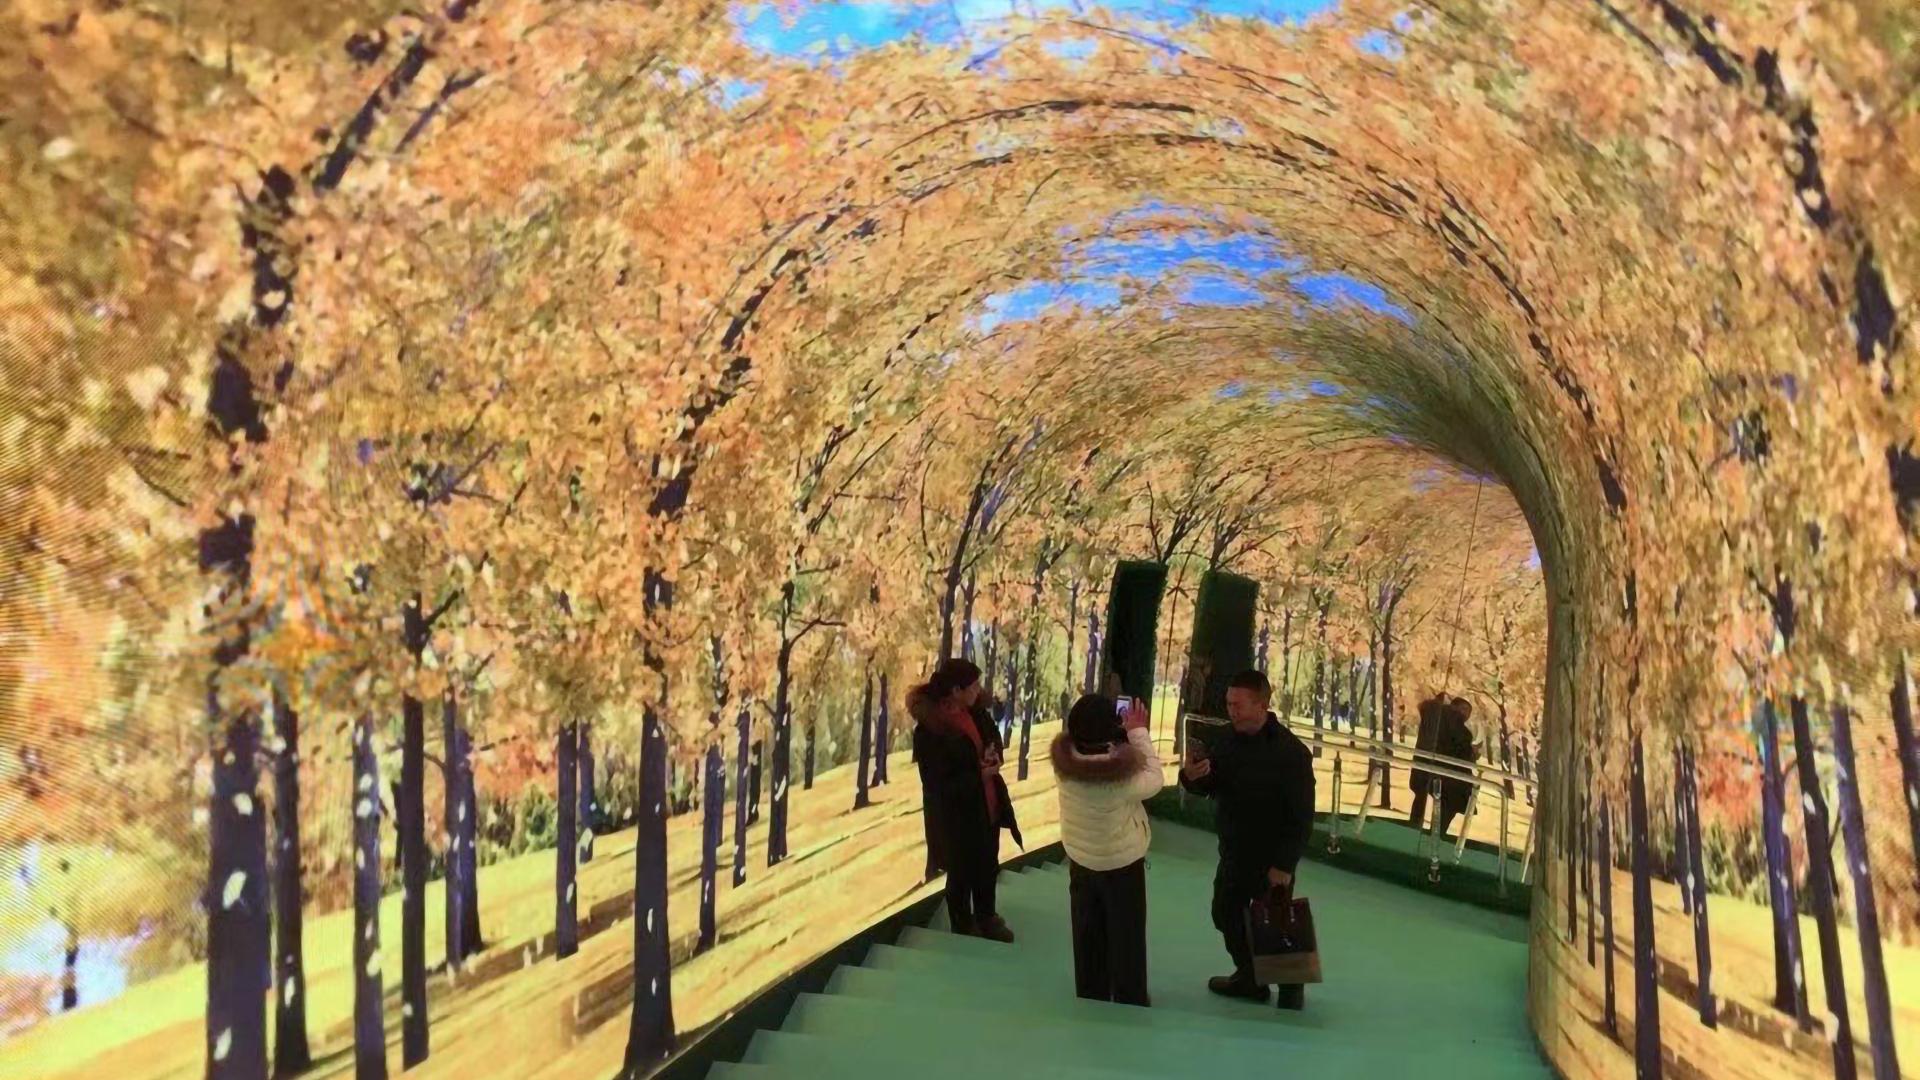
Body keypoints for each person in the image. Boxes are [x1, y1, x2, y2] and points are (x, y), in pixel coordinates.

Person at [1179, 670, 1316, 1009]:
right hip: (1234, 851)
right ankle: (1250, 978)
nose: (1231, 711)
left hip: (1273, 856)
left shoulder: (1292, 753)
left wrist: (1284, 864)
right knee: (1225, 913)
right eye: (1228, 704)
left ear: (1261, 705)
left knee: (1278, 925)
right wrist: (1190, 777)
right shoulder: (1226, 739)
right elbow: (1210, 784)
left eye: (1238, 705)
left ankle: (1291, 992)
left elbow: (1301, 816)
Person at [1051, 693, 1162, 1007]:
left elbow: (1091, 751)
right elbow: (1155, 779)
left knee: (1087, 933)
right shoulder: (1121, 777)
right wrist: (1137, 733)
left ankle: (1091, 993)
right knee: (1127, 936)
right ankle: (1130, 998)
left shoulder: (1064, 766)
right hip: (1121, 865)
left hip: (1080, 860)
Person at [910, 659, 1018, 943]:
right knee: (960, 873)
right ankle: (962, 925)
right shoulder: (929, 730)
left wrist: (993, 752)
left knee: (987, 866)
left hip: (988, 808)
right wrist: (978, 776)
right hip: (956, 818)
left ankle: (987, 917)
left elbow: (992, 736)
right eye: (973, 685)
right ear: (956, 690)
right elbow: (936, 784)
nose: (978, 690)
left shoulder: (976, 711)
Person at [1435, 696, 1479, 840]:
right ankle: (1438, 835)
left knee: (1446, 811)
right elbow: (1460, 752)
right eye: (1463, 709)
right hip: (1453, 779)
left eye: (1468, 712)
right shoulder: (1461, 731)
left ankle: (1438, 834)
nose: (1465, 714)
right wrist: (1472, 752)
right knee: (1447, 810)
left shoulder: (1439, 723)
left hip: (1448, 776)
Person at [1406, 694, 1445, 832]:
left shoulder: (1427, 710)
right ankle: (1419, 824)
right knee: (1426, 793)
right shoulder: (1438, 714)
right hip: (1428, 756)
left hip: (1423, 754)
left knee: (1421, 794)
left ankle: (1416, 823)